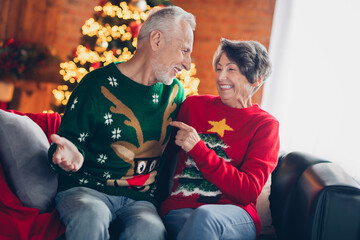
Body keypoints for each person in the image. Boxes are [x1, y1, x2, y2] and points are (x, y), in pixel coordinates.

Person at [48, 6, 195, 240]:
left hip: (140, 201)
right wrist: (69, 155)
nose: (187, 64)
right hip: (87, 190)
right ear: (156, 40)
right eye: (184, 51)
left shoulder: (175, 93)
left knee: (151, 230)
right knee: (91, 215)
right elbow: (66, 145)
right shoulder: (96, 85)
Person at [159, 38, 280, 240]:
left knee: (205, 218)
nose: (221, 77)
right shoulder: (193, 106)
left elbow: (248, 191)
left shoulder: (265, 125)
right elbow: (161, 153)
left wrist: (199, 149)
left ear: (256, 79)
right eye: (219, 68)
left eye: (231, 69)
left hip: (235, 215)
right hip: (179, 209)